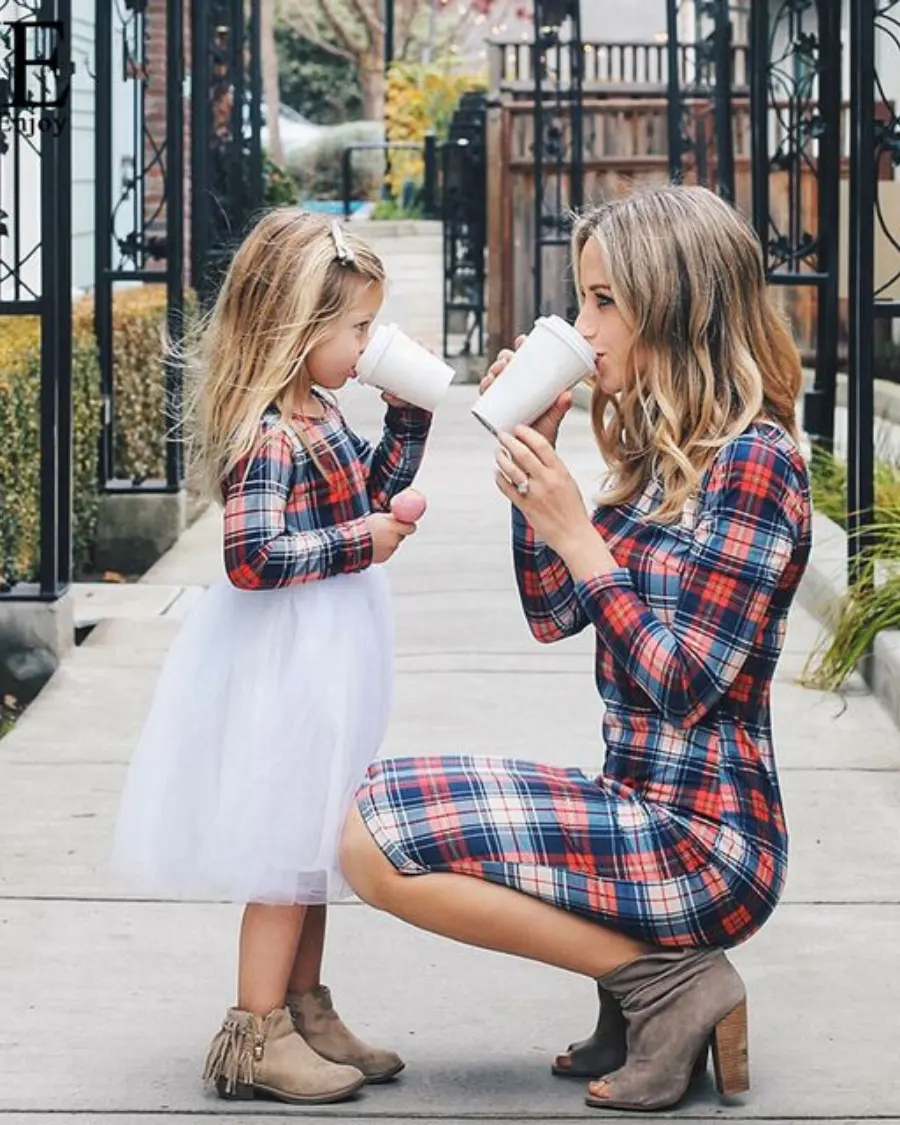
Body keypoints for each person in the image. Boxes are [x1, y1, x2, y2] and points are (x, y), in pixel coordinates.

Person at [339, 184, 812, 1112]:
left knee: (373, 844)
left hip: (708, 841)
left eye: (603, 301)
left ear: (674, 308)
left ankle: (668, 983)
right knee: (364, 803)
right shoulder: (661, 454)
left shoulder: (755, 462)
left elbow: (687, 685)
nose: (582, 327)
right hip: (638, 805)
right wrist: (539, 475)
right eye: (582, 299)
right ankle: (643, 981)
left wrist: (578, 534)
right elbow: (554, 612)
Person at [111, 211, 433, 1105]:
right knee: (283, 845)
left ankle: (305, 1008)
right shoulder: (268, 435)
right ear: (298, 327)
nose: (369, 344)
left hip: (329, 653)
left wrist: (407, 420)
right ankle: (255, 1034)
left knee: (314, 841)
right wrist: (362, 542)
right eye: (358, 328)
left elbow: (369, 488)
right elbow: (251, 558)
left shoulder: (318, 411)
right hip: (291, 660)